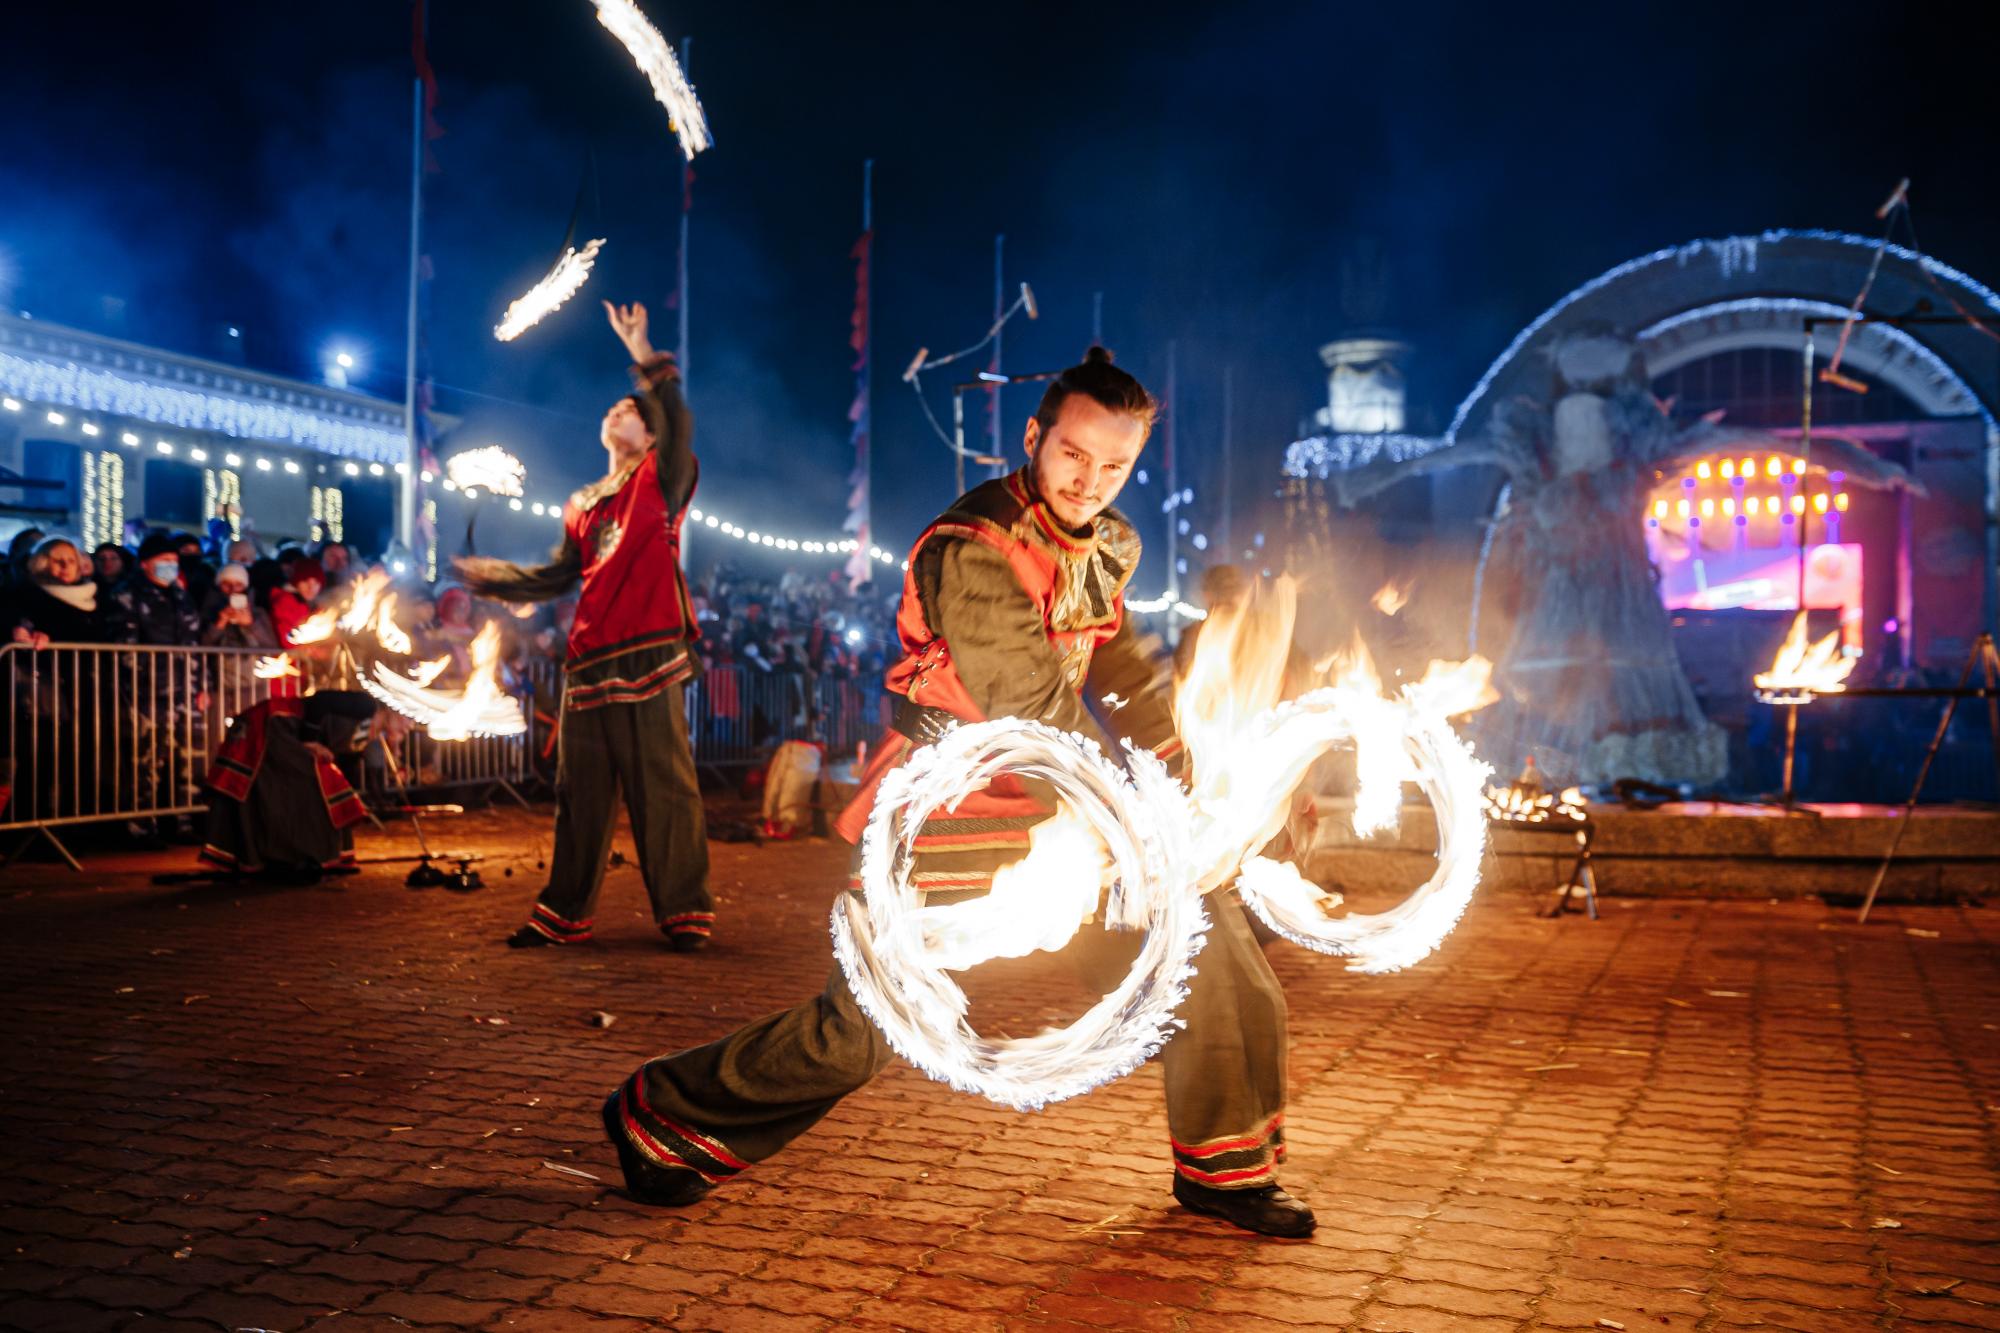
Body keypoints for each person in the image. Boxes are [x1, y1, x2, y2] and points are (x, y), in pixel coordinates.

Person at [600, 348, 1314, 1238]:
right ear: (1033, 439)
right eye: (1073, 455)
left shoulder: (1107, 544)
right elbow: (1042, 710)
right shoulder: (973, 549)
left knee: (1206, 945)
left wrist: (1190, 766)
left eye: (1114, 464)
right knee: (858, 1034)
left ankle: (1227, 1169)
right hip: (954, 812)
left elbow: (1120, 669)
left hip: (1069, 806)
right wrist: (1158, 820)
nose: (1091, 480)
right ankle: (663, 1113)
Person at [454, 299, 713, 951]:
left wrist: (644, 355)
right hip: (589, 655)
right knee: (581, 791)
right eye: (614, 409)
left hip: (652, 647)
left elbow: (678, 421)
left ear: (651, 437)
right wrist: (492, 577)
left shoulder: (663, 476)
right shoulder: (580, 503)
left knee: (664, 786)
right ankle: (564, 910)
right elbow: (556, 574)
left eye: (630, 410)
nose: (617, 411)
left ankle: (683, 909)